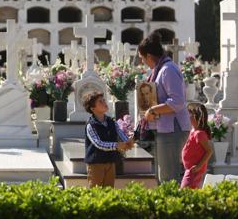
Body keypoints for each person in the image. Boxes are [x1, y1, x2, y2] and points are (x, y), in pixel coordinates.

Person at [138, 32, 191, 183]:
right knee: (163, 177)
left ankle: (174, 206)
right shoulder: (160, 69)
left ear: (149, 56)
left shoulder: (167, 69)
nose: (142, 62)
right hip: (164, 129)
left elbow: (177, 101)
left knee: (168, 178)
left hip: (172, 130)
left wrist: (152, 110)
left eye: (142, 58)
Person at [83, 91, 134, 188]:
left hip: (110, 162)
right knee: (95, 192)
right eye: (100, 102)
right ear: (93, 108)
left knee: (109, 190)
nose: (104, 103)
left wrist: (127, 141)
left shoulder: (111, 121)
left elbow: (121, 133)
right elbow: (98, 143)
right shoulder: (91, 125)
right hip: (96, 163)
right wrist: (116, 145)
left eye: (104, 100)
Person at [181, 103, 213, 189]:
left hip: (194, 170)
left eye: (189, 114)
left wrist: (199, 166)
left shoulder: (199, 134)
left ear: (195, 116)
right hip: (189, 170)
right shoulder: (193, 131)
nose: (187, 117)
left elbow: (209, 151)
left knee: (185, 191)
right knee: (188, 190)